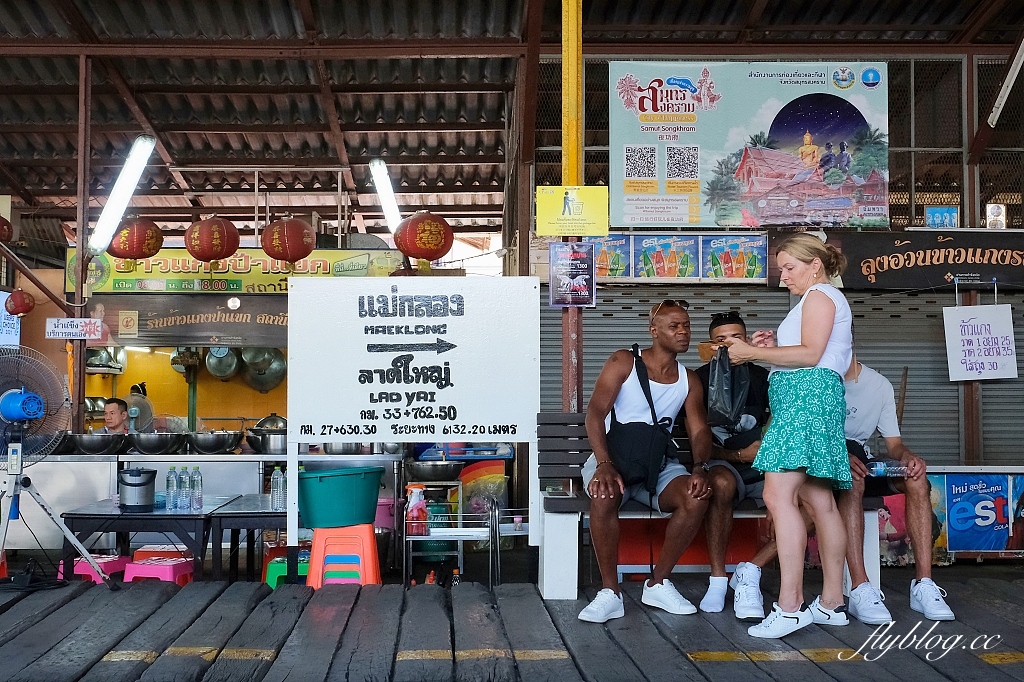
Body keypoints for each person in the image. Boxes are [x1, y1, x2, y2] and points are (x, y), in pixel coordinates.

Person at [731, 354, 957, 624]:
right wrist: (837, 456)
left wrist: (907, 456)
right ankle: (860, 587)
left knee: (916, 478)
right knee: (844, 486)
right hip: (820, 462)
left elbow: (894, 444)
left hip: (862, 458)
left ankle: (924, 584)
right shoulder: (808, 378)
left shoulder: (878, 384)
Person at [725, 232, 853, 638]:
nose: (783, 278)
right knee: (819, 500)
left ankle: (791, 605)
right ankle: (832, 602)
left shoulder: (819, 296)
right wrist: (775, 346)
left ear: (815, 265)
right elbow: (813, 351)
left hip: (805, 399)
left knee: (777, 495)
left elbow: (812, 354)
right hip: (815, 397)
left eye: (789, 268)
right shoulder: (824, 298)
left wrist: (753, 352)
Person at [578, 299, 714, 623]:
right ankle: (610, 592)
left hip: (657, 464)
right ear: (654, 331)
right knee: (604, 494)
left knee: (695, 498)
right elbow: (595, 414)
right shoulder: (624, 361)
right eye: (674, 326)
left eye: (686, 325)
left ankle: (658, 582)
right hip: (615, 457)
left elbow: (699, 431)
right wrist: (603, 464)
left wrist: (699, 467)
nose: (683, 332)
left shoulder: (689, 379)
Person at [690, 311, 770, 619]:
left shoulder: (766, 377)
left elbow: (777, 425)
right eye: (720, 340)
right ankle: (718, 579)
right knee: (720, 484)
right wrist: (738, 456)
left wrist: (764, 449)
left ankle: (751, 570)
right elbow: (698, 440)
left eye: (736, 338)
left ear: (747, 341)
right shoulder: (697, 380)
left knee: (814, 497)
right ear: (710, 346)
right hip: (724, 465)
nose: (728, 346)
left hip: (766, 464)